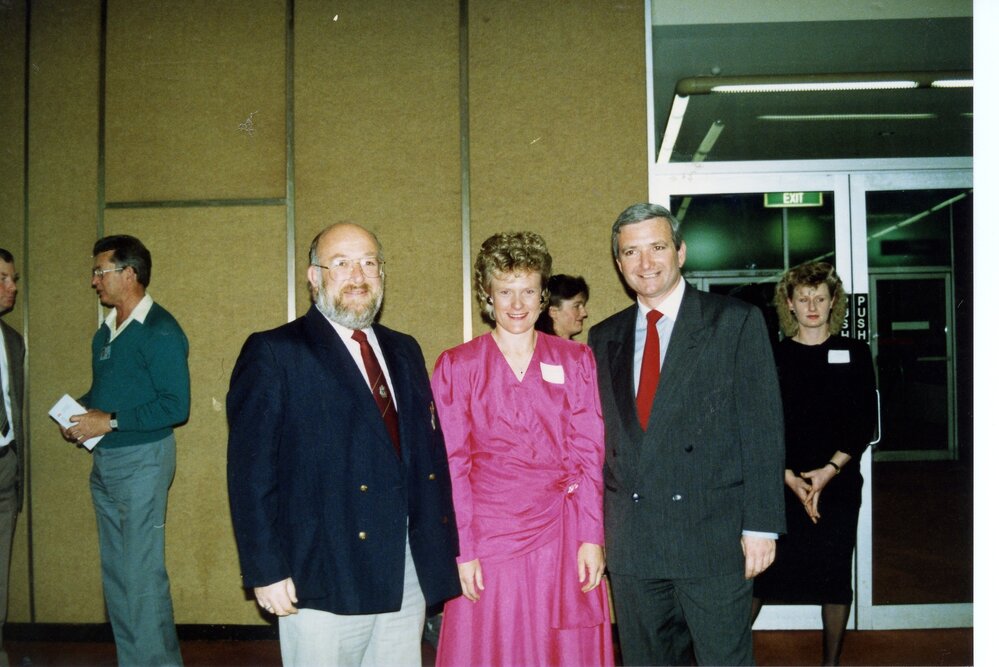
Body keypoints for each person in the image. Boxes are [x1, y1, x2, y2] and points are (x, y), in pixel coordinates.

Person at [227, 223, 461, 667]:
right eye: (341, 263)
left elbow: (424, 458)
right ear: (314, 277)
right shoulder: (275, 352)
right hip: (322, 571)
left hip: (404, 569)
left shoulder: (404, 349)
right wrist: (266, 570)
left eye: (369, 263)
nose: (358, 275)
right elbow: (249, 475)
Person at [587, 203, 786, 666]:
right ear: (619, 264)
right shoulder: (603, 337)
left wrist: (761, 526)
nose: (645, 263)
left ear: (680, 251)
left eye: (657, 247)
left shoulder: (734, 322)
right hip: (634, 542)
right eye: (631, 252)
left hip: (712, 535)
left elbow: (762, 429)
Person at [432, 232, 613, 667]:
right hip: (489, 536)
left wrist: (592, 537)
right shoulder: (458, 365)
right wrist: (463, 549)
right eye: (505, 292)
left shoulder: (575, 360)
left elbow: (591, 454)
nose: (517, 304)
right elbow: (452, 465)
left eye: (528, 291)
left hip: (563, 532)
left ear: (542, 295)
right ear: (487, 296)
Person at [60, 235, 189, 667]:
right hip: (107, 464)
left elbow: (176, 406)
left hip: (143, 463)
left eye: (101, 271)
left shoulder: (161, 330)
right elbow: (104, 393)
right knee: (118, 577)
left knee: (142, 575)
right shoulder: (106, 331)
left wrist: (109, 421)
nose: (94, 280)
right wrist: (80, 415)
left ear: (129, 274)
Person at [752, 262, 877, 666]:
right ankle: (727, 656)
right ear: (789, 302)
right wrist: (787, 475)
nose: (811, 305)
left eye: (820, 297)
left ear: (832, 302)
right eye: (803, 298)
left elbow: (864, 424)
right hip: (783, 483)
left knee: (835, 575)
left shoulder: (855, 352)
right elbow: (764, 423)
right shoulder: (776, 356)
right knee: (764, 574)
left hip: (837, 482)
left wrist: (829, 471)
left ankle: (831, 663)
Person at [0, 250, 24, 667]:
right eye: (4, 278)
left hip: (6, 466)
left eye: (14, 279)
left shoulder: (12, 340)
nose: (13, 287)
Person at [535, 274, 589, 339]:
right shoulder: (539, 347)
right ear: (553, 312)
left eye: (583, 306)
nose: (584, 313)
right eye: (576, 306)